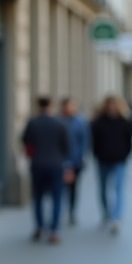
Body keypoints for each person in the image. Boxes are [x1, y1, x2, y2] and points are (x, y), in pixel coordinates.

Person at [22, 95, 70, 243]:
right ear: (51, 105)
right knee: (57, 197)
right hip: (55, 164)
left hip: (38, 164)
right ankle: (54, 230)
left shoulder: (33, 122)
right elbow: (66, 146)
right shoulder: (59, 123)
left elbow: (25, 141)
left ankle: (39, 227)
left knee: (38, 197)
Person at [90, 95, 132, 234]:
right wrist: (97, 154)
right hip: (103, 160)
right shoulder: (99, 122)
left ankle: (116, 218)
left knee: (118, 189)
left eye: (115, 104)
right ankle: (106, 214)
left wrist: (125, 154)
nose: (112, 107)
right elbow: (94, 141)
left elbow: (129, 141)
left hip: (119, 160)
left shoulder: (124, 122)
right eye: (110, 104)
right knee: (103, 189)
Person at [60, 97, 89, 226]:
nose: (69, 108)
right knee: (60, 189)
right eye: (66, 106)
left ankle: (72, 212)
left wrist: (80, 159)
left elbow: (84, 142)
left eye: (71, 106)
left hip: (75, 161)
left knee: (73, 189)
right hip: (59, 161)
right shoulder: (58, 121)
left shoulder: (80, 122)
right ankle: (60, 212)